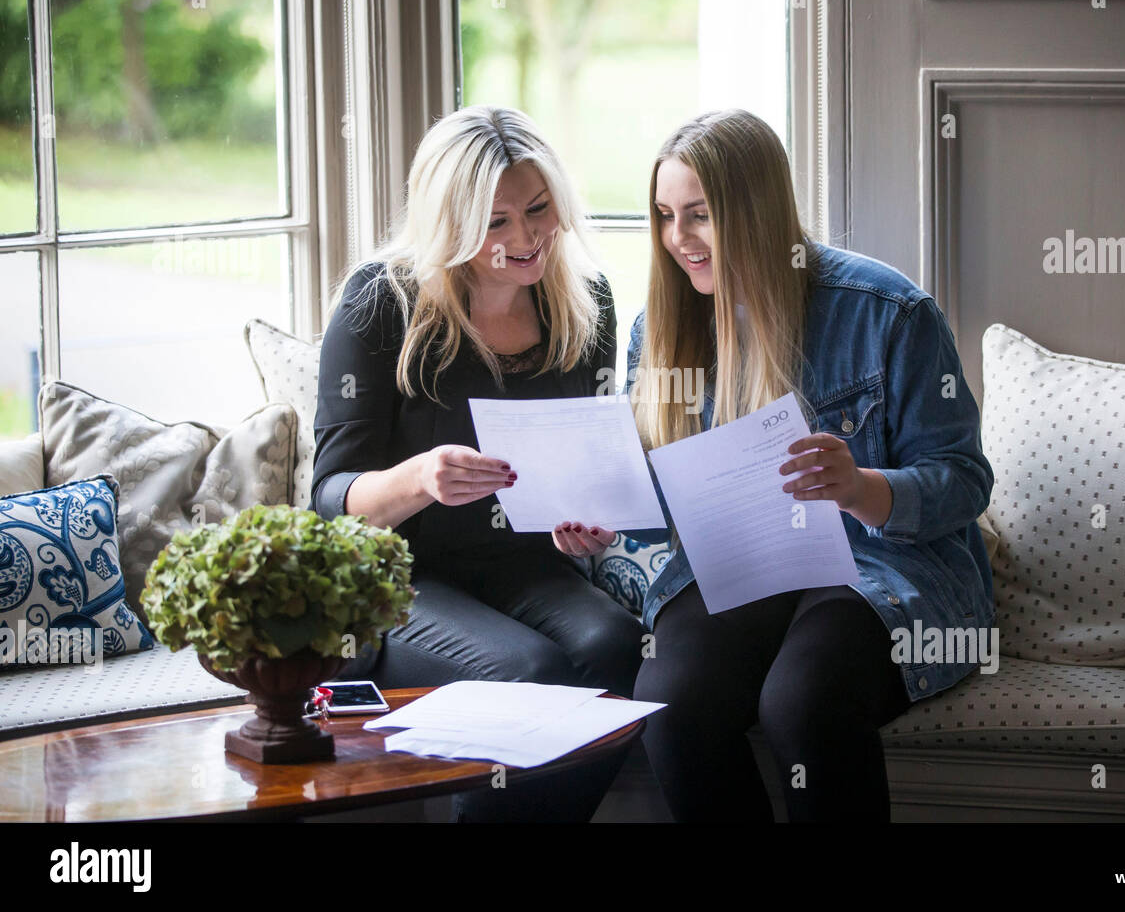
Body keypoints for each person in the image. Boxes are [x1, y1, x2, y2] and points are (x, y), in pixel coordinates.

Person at [619, 109, 996, 822]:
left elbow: (964, 480)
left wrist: (860, 488)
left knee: (802, 702)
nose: (678, 241)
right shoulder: (660, 329)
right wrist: (603, 524)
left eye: (699, 216)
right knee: (671, 708)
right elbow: (660, 506)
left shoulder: (887, 311)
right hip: (739, 570)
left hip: (879, 570)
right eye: (666, 216)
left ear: (756, 210)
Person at [310, 104, 643, 822]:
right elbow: (329, 499)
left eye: (538, 209)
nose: (525, 238)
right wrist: (421, 478)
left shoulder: (587, 303)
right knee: (532, 674)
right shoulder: (378, 304)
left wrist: (582, 525)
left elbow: (577, 462)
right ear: (450, 223)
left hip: (523, 567)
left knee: (618, 648)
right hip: (396, 580)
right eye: (496, 222)